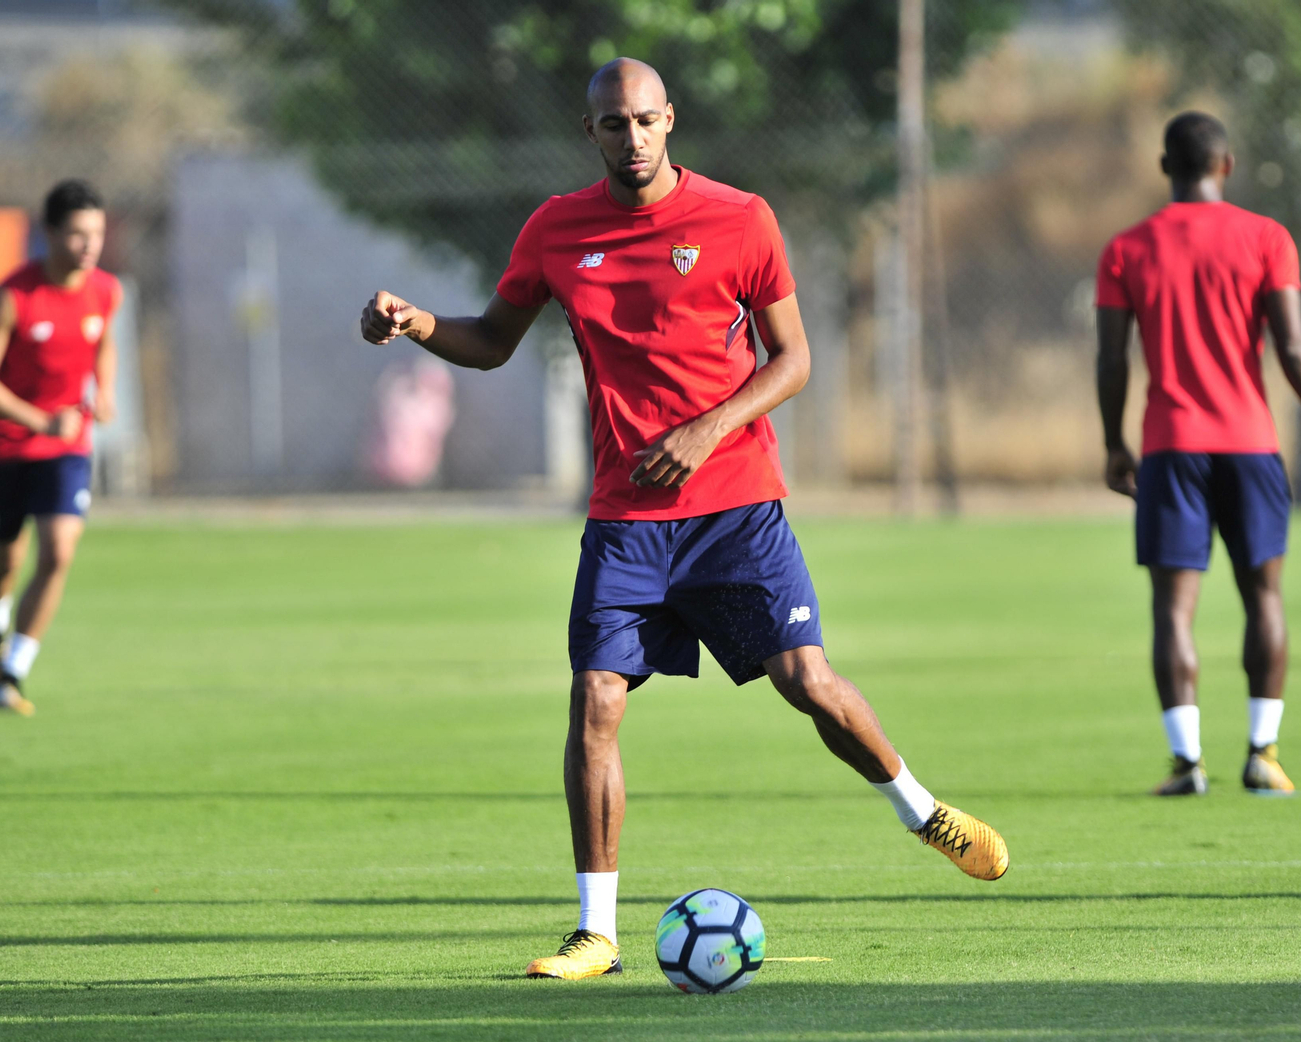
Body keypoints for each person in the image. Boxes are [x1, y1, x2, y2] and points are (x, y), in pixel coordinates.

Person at [360, 58, 1009, 980]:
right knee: (595, 700)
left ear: (671, 120)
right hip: (626, 520)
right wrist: (419, 322)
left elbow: (792, 359)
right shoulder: (555, 229)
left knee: (808, 682)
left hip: (735, 508)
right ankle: (597, 933)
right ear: (590, 133)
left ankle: (923, 811)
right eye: (613, 124)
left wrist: (707, 430)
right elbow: (494, 342)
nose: (631, 138)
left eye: (645, 120)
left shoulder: (740, 219)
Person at [1094, 112, 1301, 797]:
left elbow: (1112, 358)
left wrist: (1114, 442)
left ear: (1164, 167)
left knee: (1174, 610)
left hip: (1171, 446)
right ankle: (1264, 755)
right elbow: (1293, 345)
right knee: (1263, 596)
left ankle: (1187, 764)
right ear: (1226, 165)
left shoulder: (1126, 248)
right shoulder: (1267, 238)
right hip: (1250, 445)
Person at [0, 179, 120, 716]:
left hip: (66, 447)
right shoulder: (14, 298)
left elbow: (103, 343)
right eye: (77, 233)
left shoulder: (106, 291)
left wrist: (106, 390)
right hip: (2, 447)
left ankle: (12, 672)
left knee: (58, 551)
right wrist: (38, 420)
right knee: (6, 558)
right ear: (50, 233)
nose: (89, 244)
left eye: (97, 233)